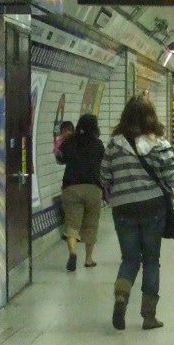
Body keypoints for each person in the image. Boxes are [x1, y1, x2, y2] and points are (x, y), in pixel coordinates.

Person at [101, 95, 174, 330]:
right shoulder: (160, 144)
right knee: (151, 260)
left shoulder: (114, 145)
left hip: (123, 207)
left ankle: (121, 297)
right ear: (151, 118)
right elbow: (172, 179)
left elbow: (104, 176)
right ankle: (148, 316)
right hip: (153, 206)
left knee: (130, 258)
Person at [56, 112, 104, 272]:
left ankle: (73, 252)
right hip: (93, 187)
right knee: (91, 224)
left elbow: (60, 159)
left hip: (71, 187)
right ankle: (89, 259)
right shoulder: (98, 144)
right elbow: (102, 164)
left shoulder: (69, 142)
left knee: (72, 224)